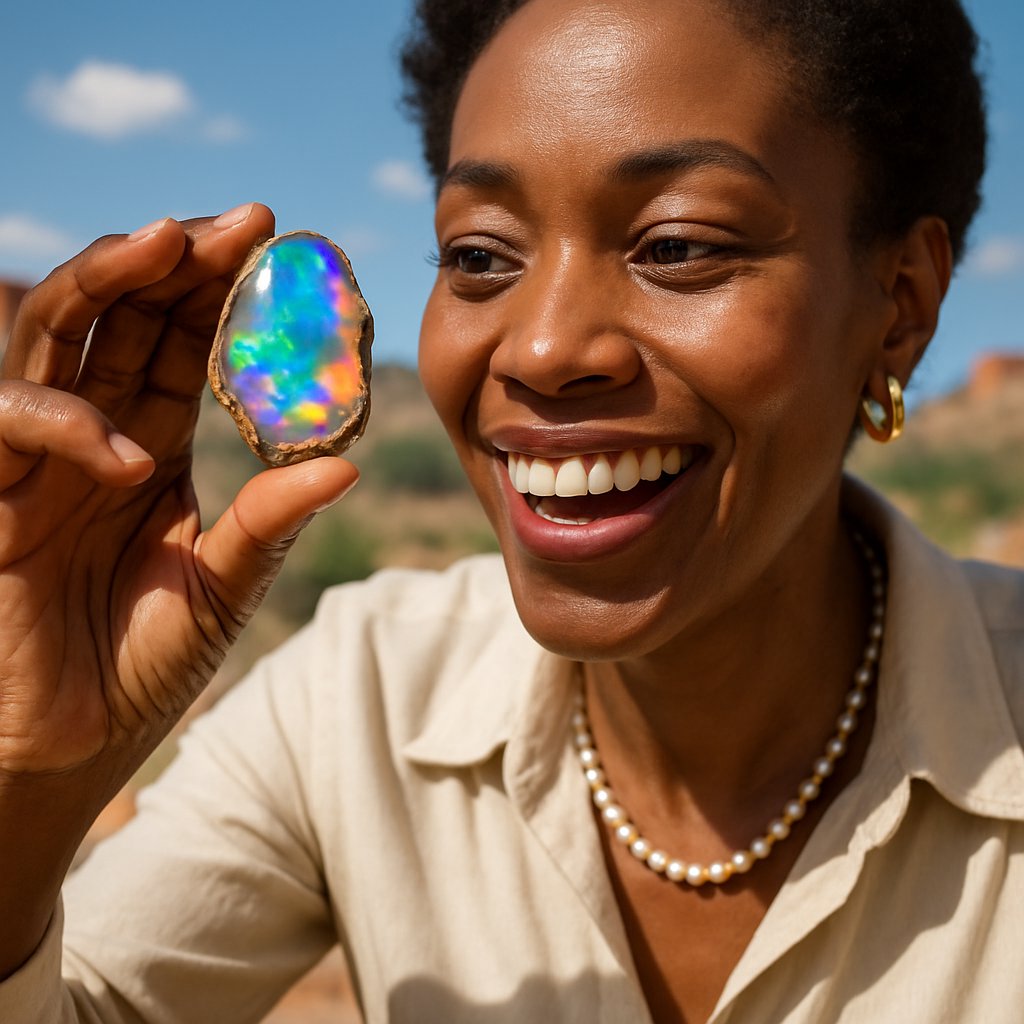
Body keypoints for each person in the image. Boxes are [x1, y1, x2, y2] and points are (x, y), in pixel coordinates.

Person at [1, 0, 1020, 1021]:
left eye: (675, 245)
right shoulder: (356, 698)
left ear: (900, 302)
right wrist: (30, 786)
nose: (539, 349)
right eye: (481, 256)